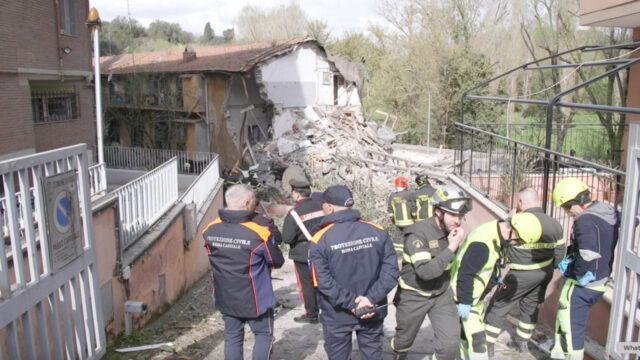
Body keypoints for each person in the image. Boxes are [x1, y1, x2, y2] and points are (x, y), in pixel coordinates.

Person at [310, 185, 399, 360]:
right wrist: (370, 299)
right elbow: (391, 271)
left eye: (322, 204)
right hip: (372, 309)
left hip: (337, 314)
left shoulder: (320, 238)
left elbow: (322, 281)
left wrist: (352, 303)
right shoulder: (377, 231)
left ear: (329, 207)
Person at [202, 184, 285, 360]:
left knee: (232, 336)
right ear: (247, 203)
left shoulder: (209, 229)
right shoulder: (259, 232)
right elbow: (277, 261)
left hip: (225, 294)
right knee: (263, 335)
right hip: (255, 297)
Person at [391, 184, 471, 360]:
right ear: (438, 212)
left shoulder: (453, 232)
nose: (457, 221)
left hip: (441, 294)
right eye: (452, 215)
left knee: (450, 346)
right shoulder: (418, 234)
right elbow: (425, 272)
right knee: (403, 342)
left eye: (460, 215)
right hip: (414, 296)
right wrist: (451, 248)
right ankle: (398, 354)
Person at [484, 187, 565, 356]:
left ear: (521, 202)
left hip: (519, 274)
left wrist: (509, 218)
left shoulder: (518, 221)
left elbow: (501, 235)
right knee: (530, 308)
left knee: (499, 306)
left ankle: (487, 345)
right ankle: (522, 344)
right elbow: (560, 254)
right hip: (544, 274)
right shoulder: (555, 224)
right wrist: (549, 268)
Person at [451, 212, 542, 360]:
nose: (516, 245)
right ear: (512, 231)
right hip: (466, 299)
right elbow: (466, 274)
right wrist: (465, 302)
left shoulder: (495, 232)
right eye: (517, 242)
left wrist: (495, 277)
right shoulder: (482, 245)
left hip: (475, 298)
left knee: (465, 338)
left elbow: (490, 261)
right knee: (478, 342)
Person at [550, 177, 618, 360]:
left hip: (583, 284)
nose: (567, 213)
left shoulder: (585, 221)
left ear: (573, 204)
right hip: (601, 279)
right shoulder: (607, 211)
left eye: (565, 208)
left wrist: (574, 272)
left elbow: (587, 255)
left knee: (571, 328)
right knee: (570, 324)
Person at [282, 179, 324, 323]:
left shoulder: (294, 213)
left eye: (293, 192)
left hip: (303, 253)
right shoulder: (321, 206)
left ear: (297, 194)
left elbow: (287, 238)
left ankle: (312, 314)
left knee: (306, 284)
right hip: (323, 248)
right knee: (325, 279)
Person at [388, 176, 415, 253]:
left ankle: (398, 254)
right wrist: (415, 217)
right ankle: (409, 252)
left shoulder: (392, 195)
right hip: (409, 222)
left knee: (398, 240)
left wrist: (392, 219)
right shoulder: (409, 194)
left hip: (398, 223)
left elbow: (390, 209)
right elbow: (413, 207)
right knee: (409, 238)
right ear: (404, 184)